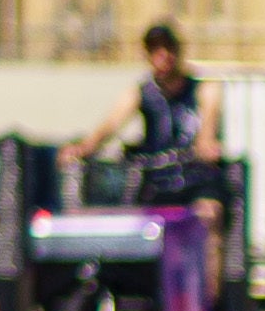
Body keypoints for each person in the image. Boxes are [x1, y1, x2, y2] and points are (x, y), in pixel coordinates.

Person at [75, 25, 215, 190]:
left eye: (168, 48)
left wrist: (206, 145)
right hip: (157, 179)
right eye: (155, 50)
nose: (163, 56)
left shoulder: (203, 89)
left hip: (195, 176)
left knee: (208, 210)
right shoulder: (141, 92)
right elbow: (111, 124)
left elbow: (208, 132)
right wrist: (84, 147)